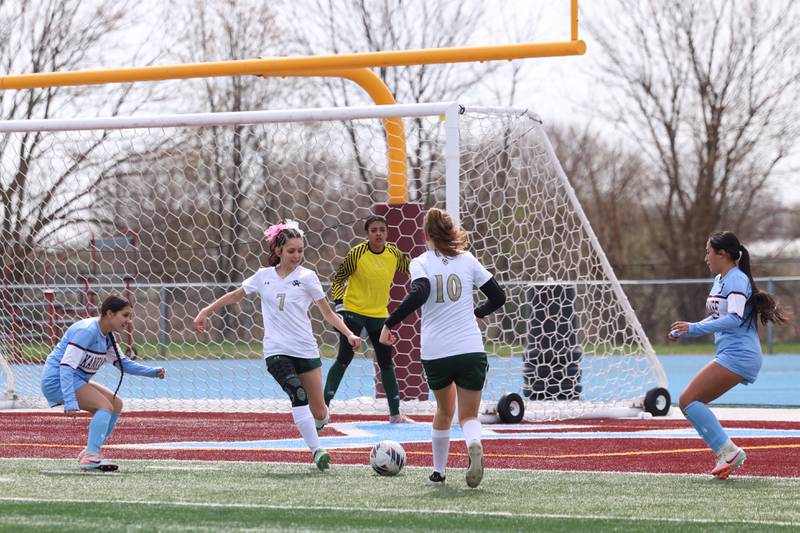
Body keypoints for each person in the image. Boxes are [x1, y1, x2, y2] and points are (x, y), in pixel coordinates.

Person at [193, 220, 362, 471]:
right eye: (291, 251)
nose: (297, 256)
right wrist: (207, 310)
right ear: (278, 251)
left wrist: (349, 334)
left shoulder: (308, 277)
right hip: (276, 350)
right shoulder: (263, 277)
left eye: (300, 251)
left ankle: (320, 421)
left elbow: (327, 313)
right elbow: (236, 295)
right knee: (297, 394)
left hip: (305, 349)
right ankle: (317, 451)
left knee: (319, 411)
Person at [379, 208, 506, 488]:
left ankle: (438, 473)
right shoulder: (468, 260)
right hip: (470, 348)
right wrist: (479, 312)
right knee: (469, 415)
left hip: (436, 352)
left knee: (444, 411)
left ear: (426, 235)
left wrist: (391, 323)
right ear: (451, 232)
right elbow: (498, 296)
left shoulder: (420, 262)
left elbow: (421, 291)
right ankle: (473, 443)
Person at [669, 231, 787, 479]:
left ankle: (728, 451)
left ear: (722, 254)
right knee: (690, 402)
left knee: (688, 399)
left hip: (740, 355)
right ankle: (725, 452)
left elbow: (733, 319)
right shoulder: (721, 279)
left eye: (708, 251)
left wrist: (694, 328)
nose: (705, 258)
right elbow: (717, 317)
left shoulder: (736, 279)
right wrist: (687, 331)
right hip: (731, 353)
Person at [40, 294, 166, 471]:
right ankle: (92, 456)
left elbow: (124, 364)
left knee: (115, 404)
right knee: (104, 407)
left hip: (76, 380)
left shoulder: (108, 336)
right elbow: (66, 367)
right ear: (109, 313)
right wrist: (70, 400)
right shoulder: (87, 331)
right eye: (125, 315)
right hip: (57, 380)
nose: (128, 321)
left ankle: (90, 452)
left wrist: (153, 372)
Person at [325, 215, 412, 423]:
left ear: (387, 232)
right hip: (353, 312)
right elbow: (338, 278)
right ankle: (322, 410)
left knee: (386, 363)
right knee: (344, 358)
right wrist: (340, 305)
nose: (378, 233)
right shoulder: (357, 253)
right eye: (373, 230)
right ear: (367, 233)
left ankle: (395, 414)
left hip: (380, 315)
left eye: (382, 229)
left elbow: (413, 270)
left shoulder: (394, 254)